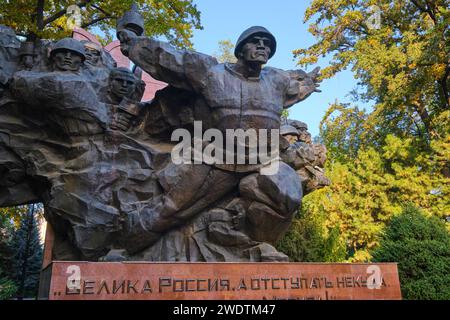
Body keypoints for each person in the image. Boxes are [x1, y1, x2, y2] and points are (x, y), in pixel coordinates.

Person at [114, 24, 322, 258]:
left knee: (288, 195)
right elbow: (169, 59)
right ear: (240, 50)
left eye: (268, 44)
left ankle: (248, 240)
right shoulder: (211, 72)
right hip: (216, 159)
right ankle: (121, 248)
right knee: (171, 211)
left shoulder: (278, 81)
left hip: (263, 161)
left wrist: (310, 82)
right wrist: (133, 44)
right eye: (256, 41)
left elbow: (299, 84)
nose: (263, 46)